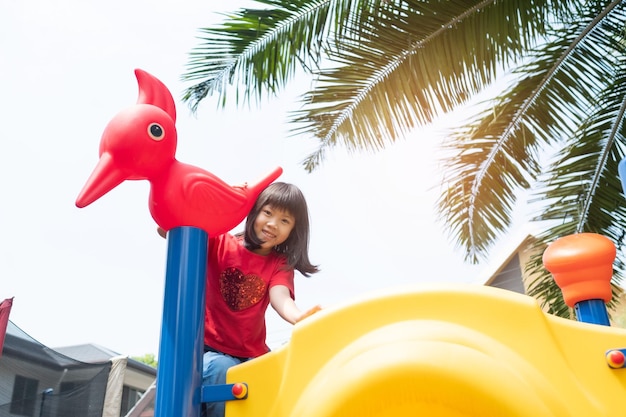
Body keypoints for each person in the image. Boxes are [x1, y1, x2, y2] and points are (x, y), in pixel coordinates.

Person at [201, 181, 320, 417]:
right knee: (222, 371)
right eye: (268, 213)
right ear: (254, 210)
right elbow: (169, 230)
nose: (273, 224)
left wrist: (299, 317)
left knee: (282, 376)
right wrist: (227, 200)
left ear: (293, 230)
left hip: (252, 355)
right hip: (210, 349)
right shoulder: (220, 242)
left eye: (285, 221)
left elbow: (280, 296)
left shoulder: (279, 264)